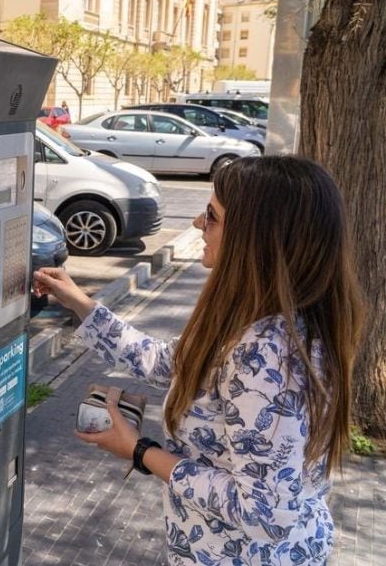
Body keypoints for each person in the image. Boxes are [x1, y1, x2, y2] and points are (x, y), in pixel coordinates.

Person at [32, 156, 364, 566]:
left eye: (212, 216)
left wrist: (140, 451)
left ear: (254, 238)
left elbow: (265, 514)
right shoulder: (255, 320)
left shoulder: (269, 354)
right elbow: (169, 363)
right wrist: (81, 304)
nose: (196, 223)